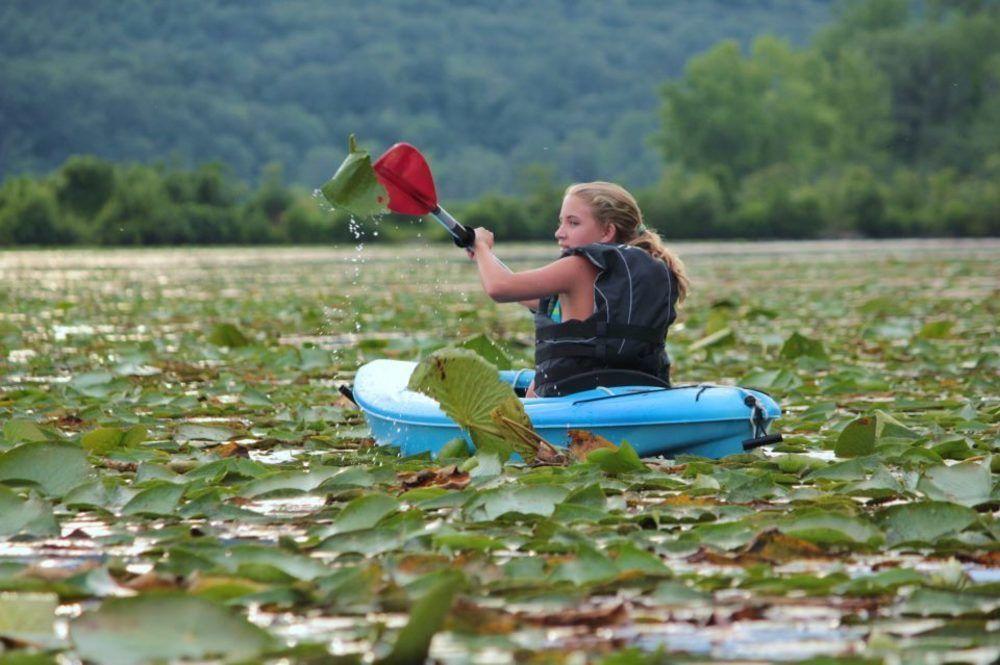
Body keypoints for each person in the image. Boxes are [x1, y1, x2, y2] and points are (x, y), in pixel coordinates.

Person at [469, 181, 689, 397]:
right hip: (641, 388)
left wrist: (481, 245)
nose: (559, 233)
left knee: (535, 386)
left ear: (607, 232)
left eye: (573, 223)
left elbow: (500, 287)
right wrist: (484, 258)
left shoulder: (578, 266)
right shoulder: (645, 269)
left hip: (574, 395)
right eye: (561, 222)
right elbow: (530, 296)